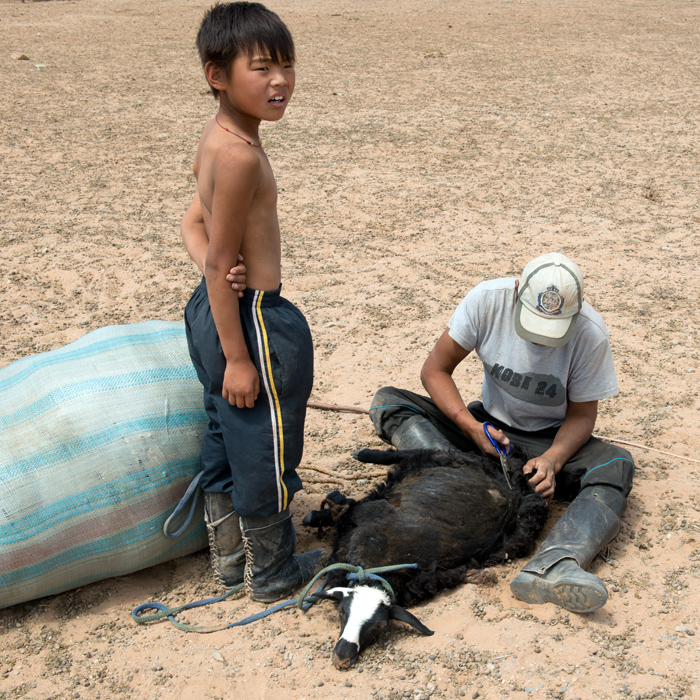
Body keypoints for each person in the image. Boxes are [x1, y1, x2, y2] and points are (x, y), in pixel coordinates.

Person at [369, 252, 634, 614]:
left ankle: (556, 564)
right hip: (487, 429)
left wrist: (553, 460)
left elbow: (583, 416)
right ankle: (457, 477)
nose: (541, 341)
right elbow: (435, 370)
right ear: (516, 292)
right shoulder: (487, 300)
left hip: (548, 438)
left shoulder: (590, 333)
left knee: (616, 464)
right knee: (389, 403)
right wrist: (470, 427)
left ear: (575, 313)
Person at [180, 1, 326, 603]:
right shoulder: (241, 155)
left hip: (210, 313)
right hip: (254, 322)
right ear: (217, 75)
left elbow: (194, 226)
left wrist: (216, 271)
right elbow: (219, 262)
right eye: (262, 68)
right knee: (265, 441)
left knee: (224, 430)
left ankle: (230, 559)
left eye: (287, 66)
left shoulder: (217, 139)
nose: (280, 81)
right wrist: (240, 356)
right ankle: (270, 573)